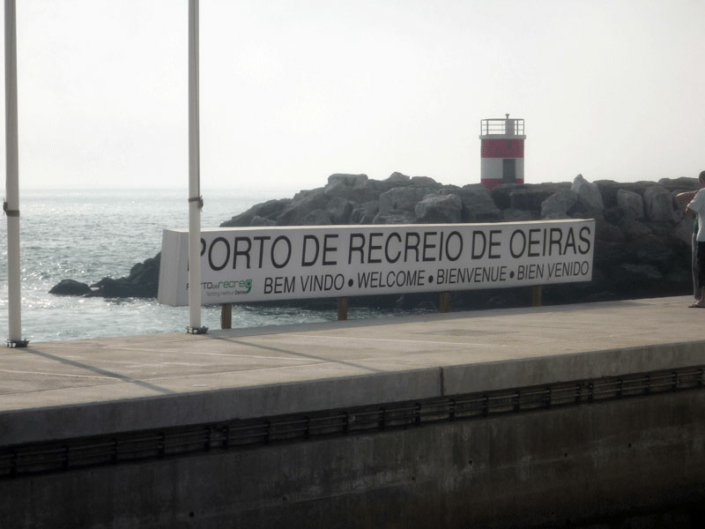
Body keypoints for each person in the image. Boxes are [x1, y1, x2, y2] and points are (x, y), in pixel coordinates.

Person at [677, 171, 705, 305]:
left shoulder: (701, 194)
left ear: (700, 181)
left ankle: (702, 298)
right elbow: (679, 197)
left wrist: (694, 199)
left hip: (702, 235)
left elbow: (689, 211)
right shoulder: (699, 193)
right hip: (699, 231)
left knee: (700, 267)